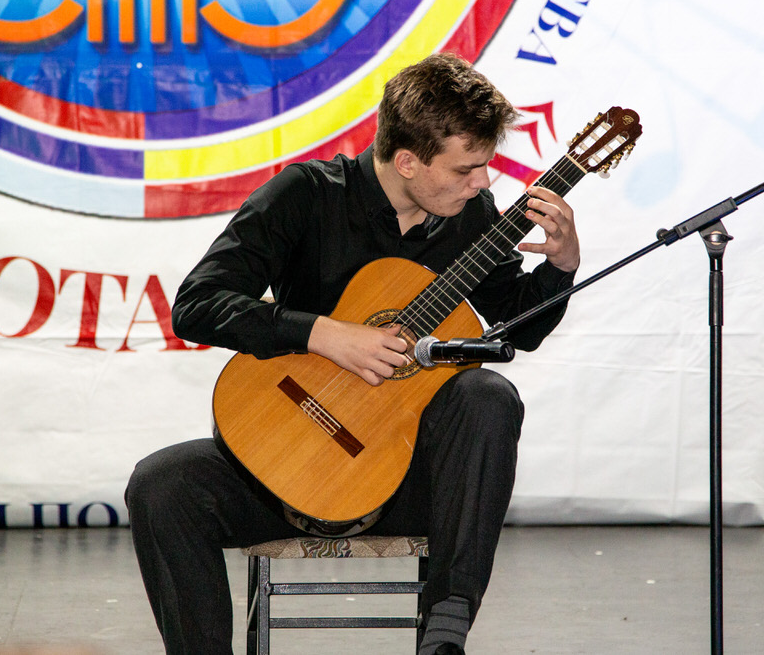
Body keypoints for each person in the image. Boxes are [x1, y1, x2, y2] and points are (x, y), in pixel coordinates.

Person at [125, 52, 581, 655]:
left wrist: (561, 266)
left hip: (402, 475)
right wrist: (325, 334)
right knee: (160, 485)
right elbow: (197, 304)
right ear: (408, 160)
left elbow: (519, 328)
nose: (483, 184)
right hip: (289, 466)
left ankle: (445, 631)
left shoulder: (470, 216)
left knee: (487, 394)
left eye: (486, 166)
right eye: (467, 169)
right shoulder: (305, 195)